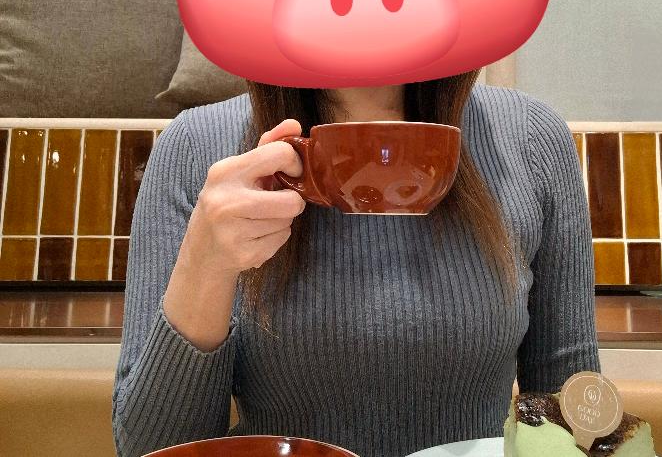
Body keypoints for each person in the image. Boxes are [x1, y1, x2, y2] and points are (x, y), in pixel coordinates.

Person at [112, 70, 600, 457]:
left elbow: (574, 409)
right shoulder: (197, 146)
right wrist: (207, 264)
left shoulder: (531, 139)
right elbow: (149, 447)